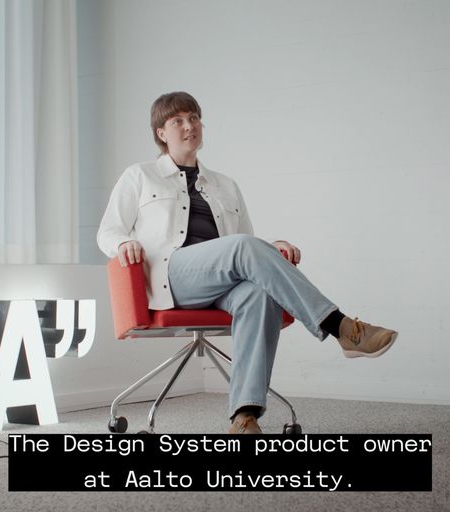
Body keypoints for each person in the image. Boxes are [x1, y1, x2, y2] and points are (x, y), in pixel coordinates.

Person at [97, 92, 398, 434]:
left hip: (221, 279)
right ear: (161, 133)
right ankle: (340, 326)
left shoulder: (226, 185)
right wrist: (123, 242)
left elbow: (246, 242)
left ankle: (244, 416)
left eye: (194, 118)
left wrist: (273, 247)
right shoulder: (140, 176)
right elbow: (107, 232)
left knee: (259, 293)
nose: (189, 126)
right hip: (172, 276)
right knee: (243, 250)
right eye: (177, 121)